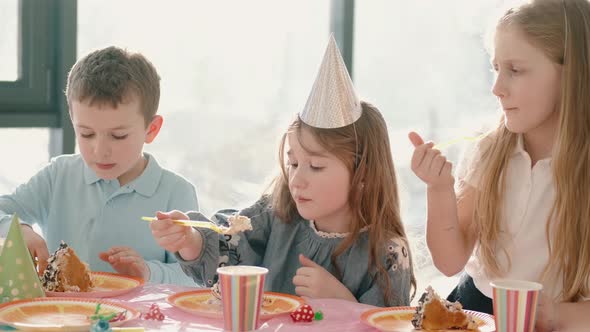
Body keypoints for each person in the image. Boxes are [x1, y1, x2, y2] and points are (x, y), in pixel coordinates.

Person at [150, 36, 416, 306]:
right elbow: (227, 256)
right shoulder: (276, 215)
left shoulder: (388, 254)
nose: (297, 180)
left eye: (315, 166)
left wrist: (341, 301)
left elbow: (388, 324)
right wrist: (190, 240)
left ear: (363, 175)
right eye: (294, 163)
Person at [409, 0, 590, 330]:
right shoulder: (488, 151)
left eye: (515, 70)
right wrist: (438, 189)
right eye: (495, 68)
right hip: (473, 308)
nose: (497, 88)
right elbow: (450, 261)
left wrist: (559, 316)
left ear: (572, 73)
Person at [0, 46, 198, 285]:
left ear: (151, 129)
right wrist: (17, 229)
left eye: (118, 136)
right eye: (86, 134)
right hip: (63, 318)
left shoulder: (176, 193)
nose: (100, 151)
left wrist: (147, 272)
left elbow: (197, 277)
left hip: (140, 322)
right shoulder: (58, 176)